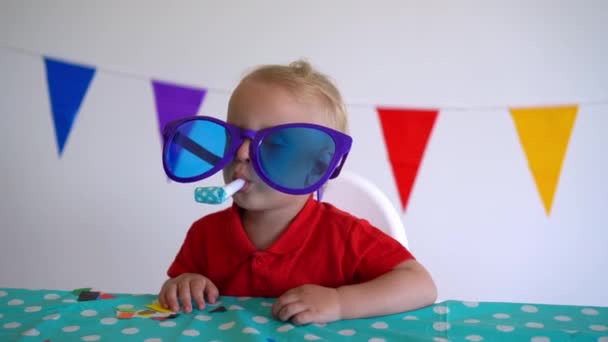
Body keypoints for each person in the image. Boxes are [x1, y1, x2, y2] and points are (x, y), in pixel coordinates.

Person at [158, 60, 437, 325]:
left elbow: (420, 285)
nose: (242, 154)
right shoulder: (205, 235)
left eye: (275, 145)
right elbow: (176, 292)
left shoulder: (346, 237)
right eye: (235, 136)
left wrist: (340, 303)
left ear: (318, 166)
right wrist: (183, 285)